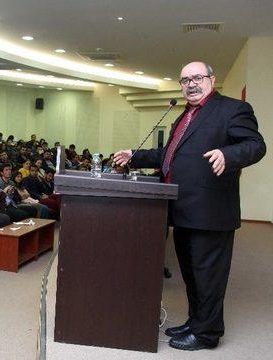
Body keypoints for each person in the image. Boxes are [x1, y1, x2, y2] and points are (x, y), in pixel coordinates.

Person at [113, 61, 266, 351]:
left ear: (212, 79)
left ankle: (207, 334)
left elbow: (256, 145)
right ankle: (196, 322)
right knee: (192, 275)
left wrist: (228, 153)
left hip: (211, 211)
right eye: (184, 80)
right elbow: (168, 155)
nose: (191, 84)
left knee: (208, 276)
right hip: (179, 209)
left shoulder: (232, 109)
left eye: (197, 77)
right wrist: (134, 155)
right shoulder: (184, 115)